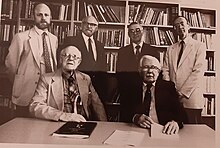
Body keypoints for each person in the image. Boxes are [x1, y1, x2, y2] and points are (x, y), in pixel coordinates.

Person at [5, 3, 58, 117]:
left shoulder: (54, 39)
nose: (43, 18)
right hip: (25, 91)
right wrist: (20, 82)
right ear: (34, 17)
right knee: (22, 128)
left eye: (46, 15)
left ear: (51, 18)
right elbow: (11, 66)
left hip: (46, 92)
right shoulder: (21, 37)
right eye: (39, 14)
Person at [29, 46, 107, 122]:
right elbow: (35, 106)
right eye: (66, 55)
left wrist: (105, 126)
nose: (71, 59)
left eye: (75, 57)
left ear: (79, 62)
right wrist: (63, 116)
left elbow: (97, 105)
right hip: (58, 123)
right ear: (60, 59)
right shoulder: (46, 79)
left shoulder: (86, 78)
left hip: (82, 123)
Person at [162, 16, 206, 124]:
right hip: (173, 99)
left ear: (188, 26)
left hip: (190, 98)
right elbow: (165, 70)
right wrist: (170, 90)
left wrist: (182, 92)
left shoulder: (199, 46)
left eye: (182, 24)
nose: (180, 27)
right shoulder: (170, 48)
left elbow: (198, 72)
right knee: (175, 130)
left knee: (193, 134)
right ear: (174, 30)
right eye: (176, 26)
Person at [117, 22, 160, 122]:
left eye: (137, 30)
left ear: (143, 32)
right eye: (131, 31)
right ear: (128, 34)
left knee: (147, 121)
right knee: (129, 121)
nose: (135, 33)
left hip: (147, 91)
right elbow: (119, 74)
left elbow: (157, 73)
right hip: (128, 92)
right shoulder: (122, 51)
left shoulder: (153, 50)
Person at [133, 55, 186, 134]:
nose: (150, 71)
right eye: (146, 67)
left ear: (159, 72)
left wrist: (176, 123)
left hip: (162, 131)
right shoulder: (132, 87)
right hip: (137, 130)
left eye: (154, 68)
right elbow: (125, 111)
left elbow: (181, 114)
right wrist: (136, 118)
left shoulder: (168, 87)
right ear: (139, 70)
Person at [63, 16, 107, 100]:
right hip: (76, 86)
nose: (89, 26)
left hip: (97, 88)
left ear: (96, 28)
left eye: (93, 25)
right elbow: (65, 65)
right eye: (87, 23)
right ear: (81, 26)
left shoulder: (100, 45)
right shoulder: (71, 41)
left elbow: (103, 68)